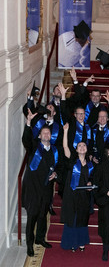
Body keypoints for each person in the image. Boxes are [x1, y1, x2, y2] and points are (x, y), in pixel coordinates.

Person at [22, 109, 62, 257]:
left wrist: (56, 174)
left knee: (43, 216)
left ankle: (40, 239)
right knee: (32, 217)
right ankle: (30, 245)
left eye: (48, 133)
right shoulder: (34, 148)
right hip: (33, 189)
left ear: (51, 136)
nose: (46, 135)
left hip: (46, 188)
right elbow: (26, 139)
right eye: (43, 133)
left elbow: (59, 167)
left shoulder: (55, 151)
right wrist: (28, 122)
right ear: (39, 136)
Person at [60, 123, 94, 251]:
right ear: (76, 149)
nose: (82, 147)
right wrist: (66, 131)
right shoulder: (72, 161)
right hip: (72, 195)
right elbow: (65, 146)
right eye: (79, 145)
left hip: (84, 196)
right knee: (73, 218)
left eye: (84, 145)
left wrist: (90, 185)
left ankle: (81, 242)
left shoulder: (90, 165)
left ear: (86, 148)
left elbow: (90, 179)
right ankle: (72, 243)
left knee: (82, 218)